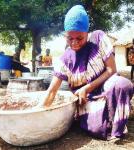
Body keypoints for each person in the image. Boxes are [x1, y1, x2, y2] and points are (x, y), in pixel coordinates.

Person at [41, 5, 134, 140]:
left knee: (122, 85)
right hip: (87, 100)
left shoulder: (98, 38)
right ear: (65, 35)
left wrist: (87, 87)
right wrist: (40, 111)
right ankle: (109, 112)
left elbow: (111, 70)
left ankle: (116, 118)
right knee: (96, 128)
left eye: (79, 38)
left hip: (106, 87)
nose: (74, 43)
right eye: (69, 38)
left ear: (87, 32)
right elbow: (51, 91)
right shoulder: (65, 59)